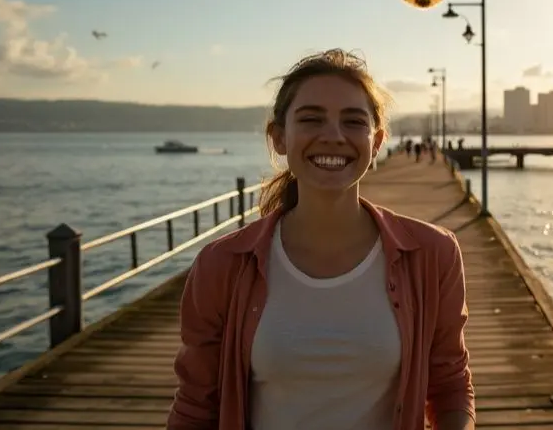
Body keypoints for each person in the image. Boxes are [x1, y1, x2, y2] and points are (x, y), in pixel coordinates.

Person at [166, 49, 475, 430]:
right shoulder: (223, 265)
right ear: (279, 138)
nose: (333, 136)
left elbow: (449, 387)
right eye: (311, 119)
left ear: (376, 142)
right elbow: (196, 406)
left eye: (353, 121)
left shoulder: (433, 255)